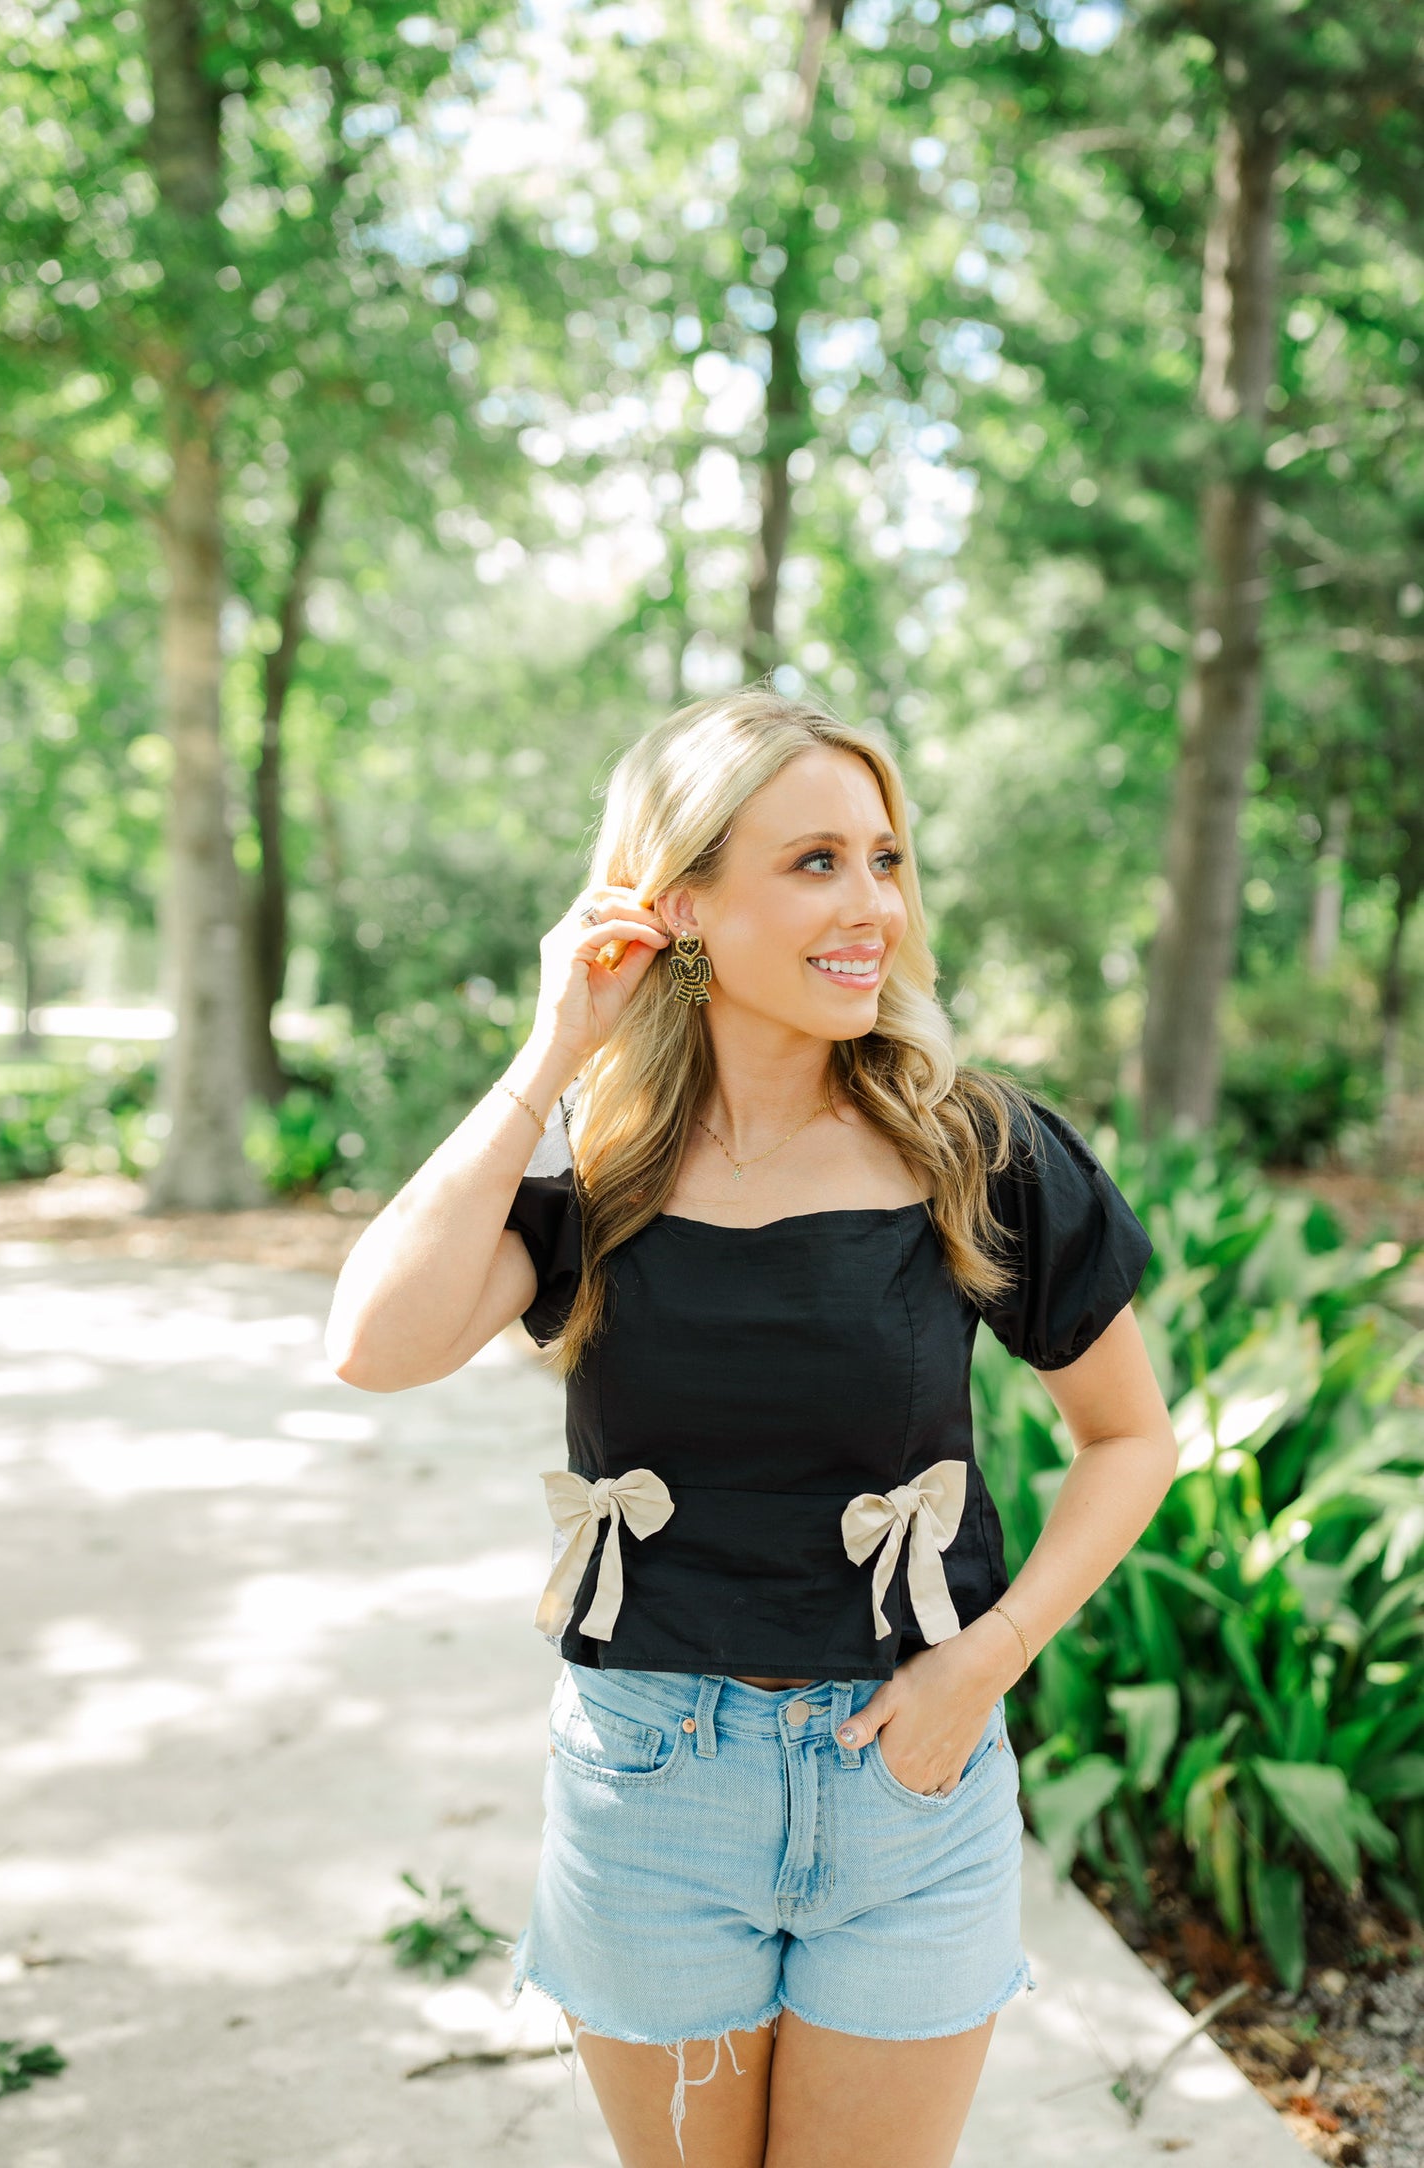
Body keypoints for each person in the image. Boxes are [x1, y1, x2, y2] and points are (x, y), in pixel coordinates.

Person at [326, 686, 1179, 2168]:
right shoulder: (600, 1175)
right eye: (812, 863)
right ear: (681, 906)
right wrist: (550, 1051)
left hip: (905, 1786)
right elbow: (371, 1346)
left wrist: (985, 1663)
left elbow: (1130, 1440)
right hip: (654, 1787)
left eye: (885, 858)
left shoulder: (978, 1150)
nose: (871, 907)